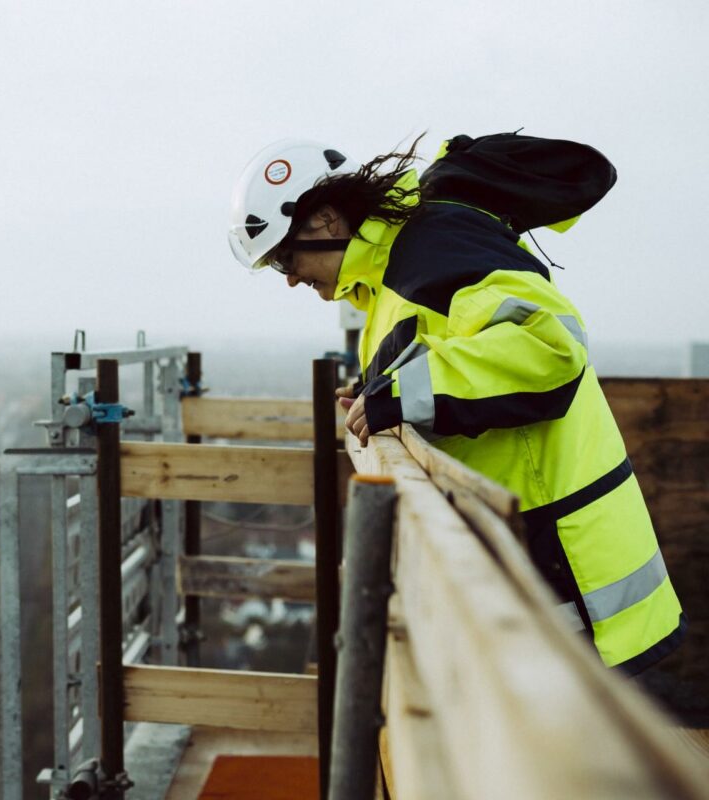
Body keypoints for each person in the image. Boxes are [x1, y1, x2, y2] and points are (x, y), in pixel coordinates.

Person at [227, 134, 685, 674]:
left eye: (286, 255)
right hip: (540, 574)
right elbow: (446, 362)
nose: (290, 277)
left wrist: (398, 396)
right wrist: (379, 392)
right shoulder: (391, 277)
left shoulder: (432, 247)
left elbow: (550, 346)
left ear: (326, 221)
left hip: (583, 589)